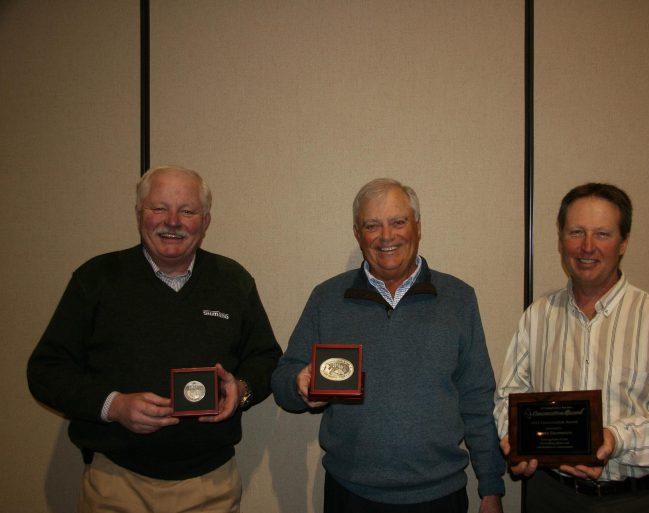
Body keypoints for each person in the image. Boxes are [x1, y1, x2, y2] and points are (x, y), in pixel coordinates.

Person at [27, 165, 283, 513]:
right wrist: (113, 406)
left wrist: (241, 390)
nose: (173, 221)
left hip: (211, 488)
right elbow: (46, 371)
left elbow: (266, 359)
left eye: (188, 211)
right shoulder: (96, 279)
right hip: (116, 485)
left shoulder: (233, 282)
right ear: (138, 215)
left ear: (205, 222)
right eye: (159, 208)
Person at [271, 178, 505, 513]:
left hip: (440, 495)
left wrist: (491, 487)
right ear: (357, 233)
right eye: (372, 225)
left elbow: (477, 399)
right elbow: (282, 379)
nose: (386, 236)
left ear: (418, 227)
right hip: (350, 494)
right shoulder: (327, 299)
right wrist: (298, 385)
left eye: (398, 222)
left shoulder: (458, 299)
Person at [494, 183, 649, 513]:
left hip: (638, 500)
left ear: (623, 243)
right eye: (576, 232)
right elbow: (508, 397)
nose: (587, 247)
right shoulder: (538, 316)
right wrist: (517, 442)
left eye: (602, 234)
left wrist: (618, 438)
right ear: (560, 241)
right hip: (551, 497)